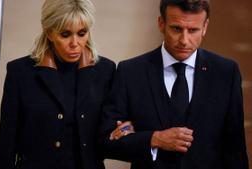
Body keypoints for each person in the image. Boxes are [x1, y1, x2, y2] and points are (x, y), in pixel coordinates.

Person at [100, 0, 249, 169]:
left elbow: (235, 150)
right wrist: (153, 139)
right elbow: (106, 142)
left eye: (193, 30)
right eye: (176, 29)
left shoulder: (226, 73)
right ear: (161, 24)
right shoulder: (131, 72)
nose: (184, 40)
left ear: (205, 27)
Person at [0, 0, 117, 169]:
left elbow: (109, 132)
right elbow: (7, 144)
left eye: (82, 33)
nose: (75, 43)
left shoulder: (106, 70)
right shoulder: (20, 73)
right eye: (65, 34)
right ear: (49, 32)